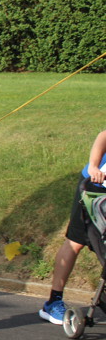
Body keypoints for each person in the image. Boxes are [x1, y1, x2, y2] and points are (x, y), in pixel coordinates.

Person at [39, 129, 106, 324]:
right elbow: (104, 136)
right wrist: (93, 166)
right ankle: (53, 302)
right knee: (76, 242)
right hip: (95, 189)